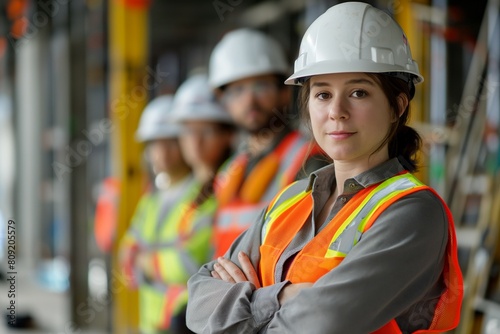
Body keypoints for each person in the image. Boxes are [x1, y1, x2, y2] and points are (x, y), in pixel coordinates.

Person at [186, 2, 463, 333]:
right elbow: (199, 304)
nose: (337, 111)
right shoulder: (290, 200)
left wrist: (249, 303)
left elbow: (321, 325)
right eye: (322, 94)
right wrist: (283, 297)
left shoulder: (412, 213)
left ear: (397, 106)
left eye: (358, 92)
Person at [209, 28, 327, 258]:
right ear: (224, 102)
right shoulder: (230, 170)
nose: (249, 100)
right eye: (237, 90)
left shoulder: (309, 160)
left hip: (270, 293)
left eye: (261, 86)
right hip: (227, 292)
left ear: (285, 92)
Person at [149, 73, 237, 333]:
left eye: (207, 131)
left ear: (227, 135)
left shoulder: (231, 185)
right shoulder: (189, 194)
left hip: (213, 314)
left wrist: (148, 262)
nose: (195, 141)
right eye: (188, 131)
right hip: (182, 316)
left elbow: (190, 261)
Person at [119, 95, 194, 334]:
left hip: (182, 320)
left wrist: (143, 260)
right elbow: (128, 249)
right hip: (151, 322)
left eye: (169, 142)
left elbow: (188, 264)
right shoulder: (152, 198)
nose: (161, 152)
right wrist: (137, 256)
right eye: (154, 144)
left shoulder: (200, 195)